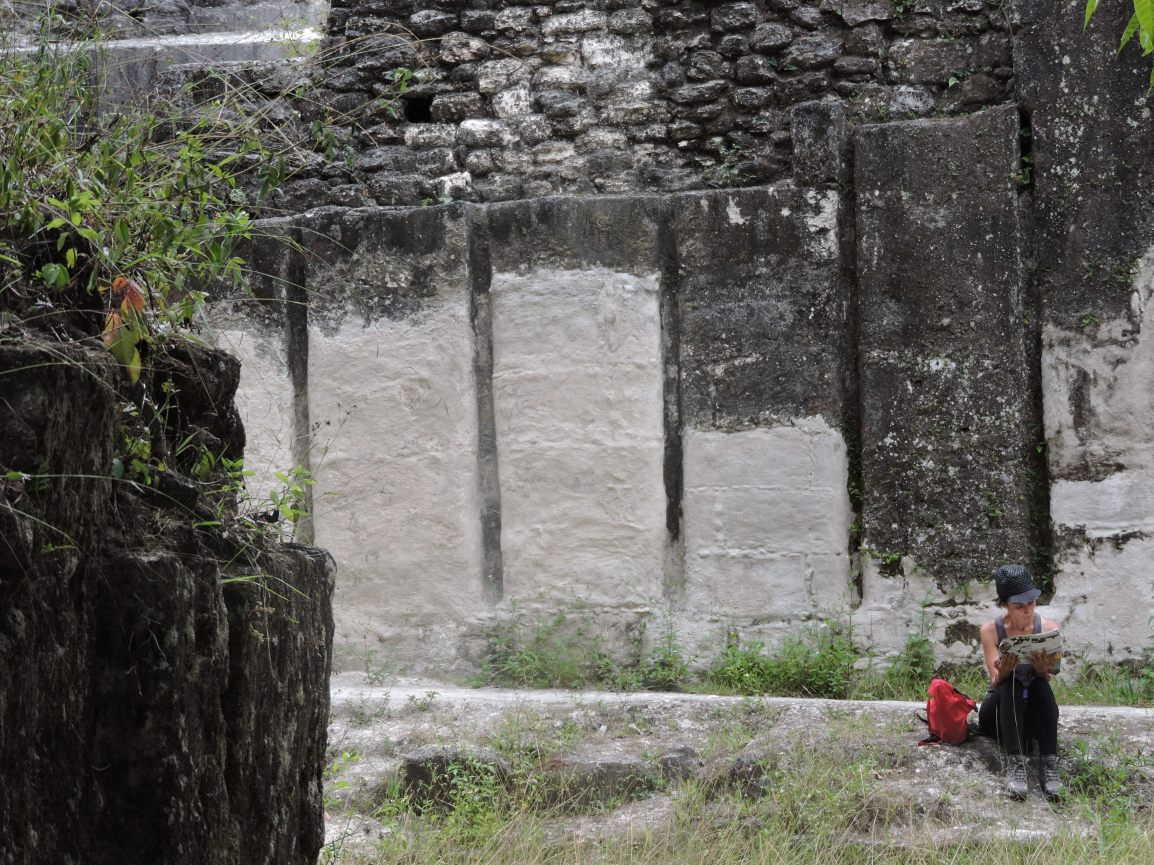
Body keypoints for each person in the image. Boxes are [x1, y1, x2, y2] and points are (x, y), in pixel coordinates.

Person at [978, 564, 1062, 800]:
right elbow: (995, 680)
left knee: (1039, 684)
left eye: (1031, 604)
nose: (1027, 611)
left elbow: (1048, 677)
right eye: (1019, 606)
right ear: (1005, 605)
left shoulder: (1048, 628)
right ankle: (1015, 763)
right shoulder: (990, 631)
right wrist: (1004, 671)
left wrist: (1041, 669)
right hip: (999, 711)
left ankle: (1050, 763)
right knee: (1011, 681)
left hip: (1032, 713)